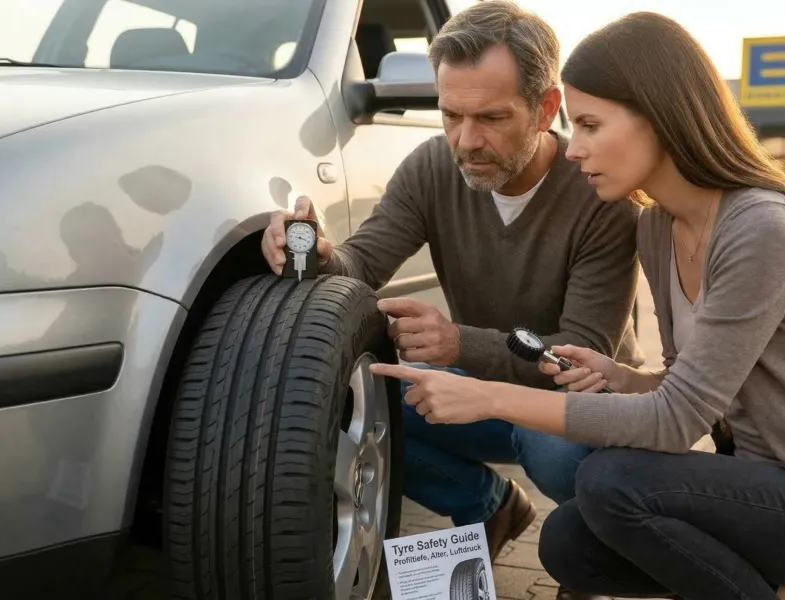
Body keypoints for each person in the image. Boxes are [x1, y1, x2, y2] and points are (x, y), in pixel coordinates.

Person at [368, 11, 785, 600]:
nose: (573, 150)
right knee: (567, 543)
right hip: (763, 486)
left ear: (658, 117)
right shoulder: (658, 228)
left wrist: (484, 394)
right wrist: (626, 378)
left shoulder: (762, 226)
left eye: (589, 125)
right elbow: (693, 395)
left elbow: (674, 423)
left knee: (611, 481)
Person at [260, 0, 642, 578]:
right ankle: (488, 508)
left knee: (556, 453)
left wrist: (458, 344)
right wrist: (317, 253)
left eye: (490, 118)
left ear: (546, 109)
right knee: (358, 402)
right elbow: (362, 264)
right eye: (450, 115)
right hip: (480, 397)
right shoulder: (431, 168)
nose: (465, 141)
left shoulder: (598, 194)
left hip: (578, 405)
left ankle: (594, 558)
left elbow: (580, 353)